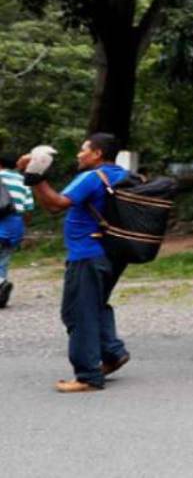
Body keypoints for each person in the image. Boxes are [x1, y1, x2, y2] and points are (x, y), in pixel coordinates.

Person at [19, 134, 130, 392]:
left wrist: (35, 175)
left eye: (83, 150)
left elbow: (56, 204)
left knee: (78, 312)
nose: (79, 155)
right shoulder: (122, 176)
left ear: (97, 153)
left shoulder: (92, 177)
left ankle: (88, 376)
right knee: (96, 305)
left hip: (87, 254)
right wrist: (32, 177)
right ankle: (112, 353)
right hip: (112, 253)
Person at [0, 153, 35, 308]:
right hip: (15, 225)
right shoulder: (23, 180)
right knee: (3, 259)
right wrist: (23, 229)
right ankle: (1, 286)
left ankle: (1, 283)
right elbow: (28, 208)